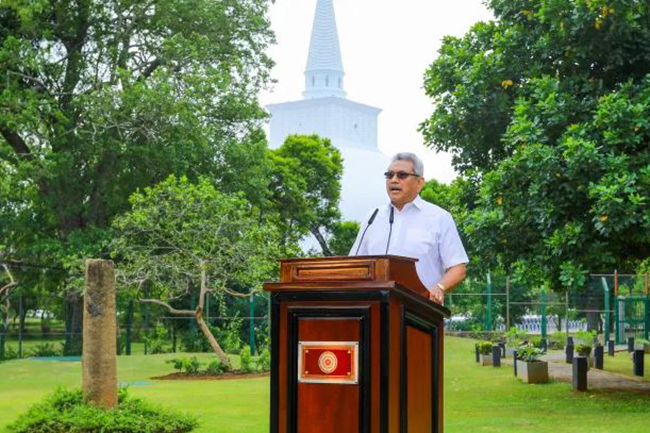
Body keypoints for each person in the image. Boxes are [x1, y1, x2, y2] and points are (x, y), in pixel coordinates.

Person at [349, 152, 468, 303]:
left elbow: (458, 268)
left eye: (402, 175)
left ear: (419, 183)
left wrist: (439, 287)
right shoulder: (373, 217)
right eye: (389, 175)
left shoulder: (439, 218)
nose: (394, 180)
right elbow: (354, 265)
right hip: (373, 310)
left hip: (420, 311)